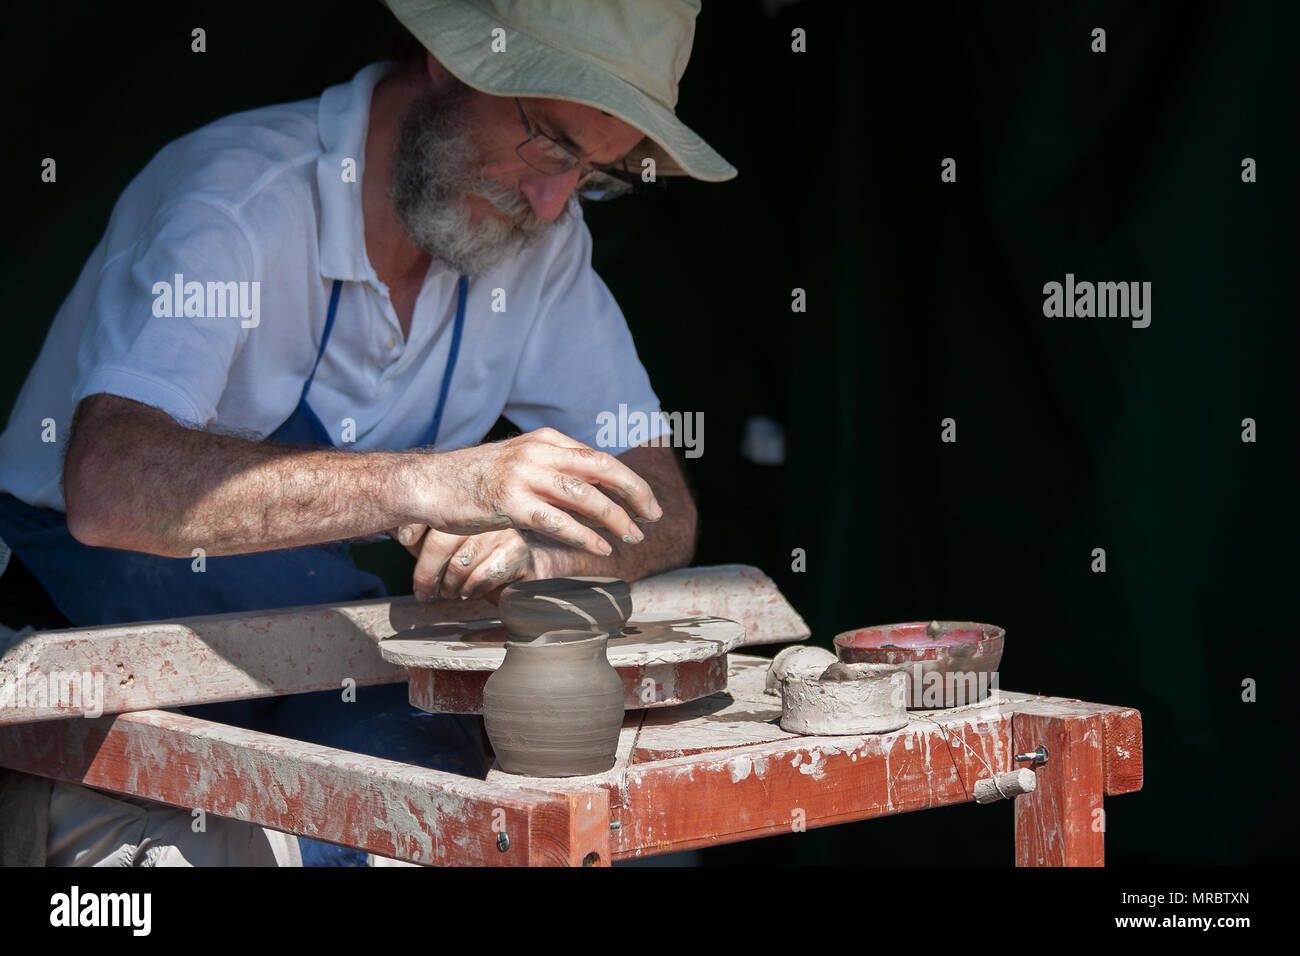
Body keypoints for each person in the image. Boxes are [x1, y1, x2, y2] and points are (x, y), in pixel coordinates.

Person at [0, 0, 734, 866]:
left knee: (489, 826)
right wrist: (430, 482)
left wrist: (545, 557)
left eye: (595, 173)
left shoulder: (540, 245)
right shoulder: (240, 199)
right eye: (550, 143)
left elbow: (664, 505)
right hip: (86, 660)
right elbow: (109, 485)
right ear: (450, 57)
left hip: (307, 658)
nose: (553, 201)